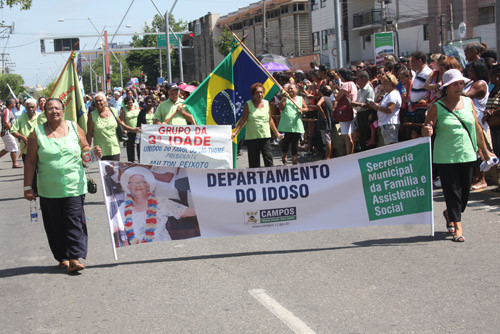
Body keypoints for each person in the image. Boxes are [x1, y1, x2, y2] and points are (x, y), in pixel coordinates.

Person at [23, 98, 102, 272]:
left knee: (73, 220)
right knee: (54, 224)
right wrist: (27, 186)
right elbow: (30, 161)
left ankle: (74, 257)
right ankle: (62, 257)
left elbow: (85, 150)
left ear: (63, 110)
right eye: (50, 109)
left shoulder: (74, 127)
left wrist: (93, 153)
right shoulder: (37, 133)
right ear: (45, 112)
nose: (54, 111)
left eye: (57, 108)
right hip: (48, 189)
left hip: (74, 185)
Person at [422, 69, 496, 242]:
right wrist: (427, 130)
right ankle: (458, 227)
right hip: (445, 157)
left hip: (468, 155)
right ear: (446, 87)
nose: (459, 86)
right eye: (455, 83)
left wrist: (484, 151)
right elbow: (426, 129)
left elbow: (477, 128)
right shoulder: (437, 107)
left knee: (464, 195)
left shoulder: (468, 102)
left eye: (461, 83)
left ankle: (450, 214)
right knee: (452, 193)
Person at [117, 166, 197, 244]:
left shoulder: (161, 201)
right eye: (133, 183)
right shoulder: (123, 208)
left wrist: (206, 205)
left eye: (141, 182)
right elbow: (115, 228)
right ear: (129, 187)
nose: (138, 185)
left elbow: (187, 212)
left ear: (147, 186)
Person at [232, 82, 282, 168]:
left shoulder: (266, 103)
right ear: (253, 94)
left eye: (261, 92)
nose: (260, 94)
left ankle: (271, 178)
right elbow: (243, 120)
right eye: (257, 92)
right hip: (252, 137)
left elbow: (270, 119)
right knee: (254, 162)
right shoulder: (248, 104)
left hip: (265, 136)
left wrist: (277, 133)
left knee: (268, 159)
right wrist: (235, 133)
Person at [86, 92, 139, 161]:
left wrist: (133, 129)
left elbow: (121, 124)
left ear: (105, 101)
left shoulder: (113, 111)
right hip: (101, 150)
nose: (98, 103)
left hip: (114, 148)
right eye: (96, 101)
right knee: (104, 171)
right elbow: (89, 135)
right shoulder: (92, 116)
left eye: (100, 100)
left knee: (115, 170)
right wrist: (88, 150)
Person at [464, 61, 490, 190]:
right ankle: (476, 177)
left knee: (480, 149)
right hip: (469, 119)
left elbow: (467, 95)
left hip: (477, 120)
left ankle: (482, 178)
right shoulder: (470, 82)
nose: (469, 72)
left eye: (472, 70)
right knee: (474, 149)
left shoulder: (480, 83)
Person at [278, 83, 308, 165]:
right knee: (286, 142)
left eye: (292, 88)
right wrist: (284, 97)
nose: (290, 90)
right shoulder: (285, 98)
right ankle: (284, 155)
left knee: (295, 143)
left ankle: (294, 159)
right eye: (289, 89)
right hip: (286, 125)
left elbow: (306, 108)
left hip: (296, 124)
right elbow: (281, 107)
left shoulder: (300, 98)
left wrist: (303, 109)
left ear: (296, 90)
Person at [369, 73, 401, 145]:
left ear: (390, 83)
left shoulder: (393, 94)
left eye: (385, 83)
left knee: (391, 146)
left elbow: (389, 109)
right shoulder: (388, 94)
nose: (383, 85)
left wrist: (378, 107)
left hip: (390, 124)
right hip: (385, 124)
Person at [482, 64, 500, 192]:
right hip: (493, 127)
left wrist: (493, 112)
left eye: (492, 74)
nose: (490, 77)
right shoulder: (494, 89)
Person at [334, 68, 358, 154]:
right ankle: (351, 153)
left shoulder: (346, 85)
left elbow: (337, 98)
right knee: (351, 134)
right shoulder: (353, 84)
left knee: (346, 135)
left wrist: (335, 90)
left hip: (345, 111)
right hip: (353, 110)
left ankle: (349, 154)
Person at [0, 97, 23, 168]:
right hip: (7, 133)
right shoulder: (7, 111)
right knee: (13, 147)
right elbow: (6, 122)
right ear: (10, 104)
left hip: (7, 132)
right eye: (14, 103)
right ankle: (14, 163)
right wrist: (12, 131)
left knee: (7, 149)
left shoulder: (9, 111)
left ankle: (14, 163)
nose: (15, 104)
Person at [120, 96, 141, 162]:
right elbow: (122, 121)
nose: (130, 104)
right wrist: (125, 129)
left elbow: (140, 117)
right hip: (129, 130)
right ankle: (132, 161)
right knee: (130, 147)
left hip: (138, 130)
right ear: (126, 103)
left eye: (131, 103)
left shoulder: (136, 108)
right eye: (128, 103)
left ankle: (140, 160)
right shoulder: (123, 109)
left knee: (139, 146)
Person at [317, 85, 334, 159]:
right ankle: (328, 156)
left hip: (325, 122)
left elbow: (318, 105)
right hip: (329, 121)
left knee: (327, 140)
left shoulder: (323, 98)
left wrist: (323, 114)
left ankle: (328, 157)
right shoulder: (330, 99)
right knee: (327, 140)